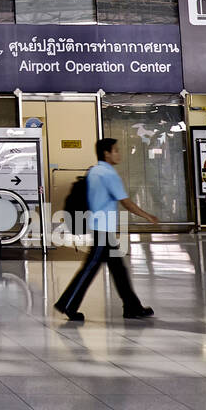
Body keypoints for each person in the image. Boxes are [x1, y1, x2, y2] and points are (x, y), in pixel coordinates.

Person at [54, 137, 158, 322]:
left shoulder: (94, 171)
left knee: (119, 270)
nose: (119, 154)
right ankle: (68, 305)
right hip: (103, 228)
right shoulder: (109, 174)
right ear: (106, 153)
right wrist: (148, 216)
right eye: (115, 150)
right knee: (90, 268)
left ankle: (132, 307)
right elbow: (126, 202)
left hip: (101, 227)